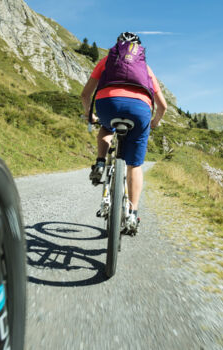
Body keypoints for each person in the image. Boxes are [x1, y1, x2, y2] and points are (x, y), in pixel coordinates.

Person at [80, 31, 167, 233]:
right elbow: (162, 106)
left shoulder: (106, 61)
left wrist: (89, 115)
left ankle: (101, 162)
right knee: (134, 165)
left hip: (107, 104)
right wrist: (154, 122)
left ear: (118, 46)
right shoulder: (145, 68)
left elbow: (85, 94)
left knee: (105, 125)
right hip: (140, 110)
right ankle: (132, 214)